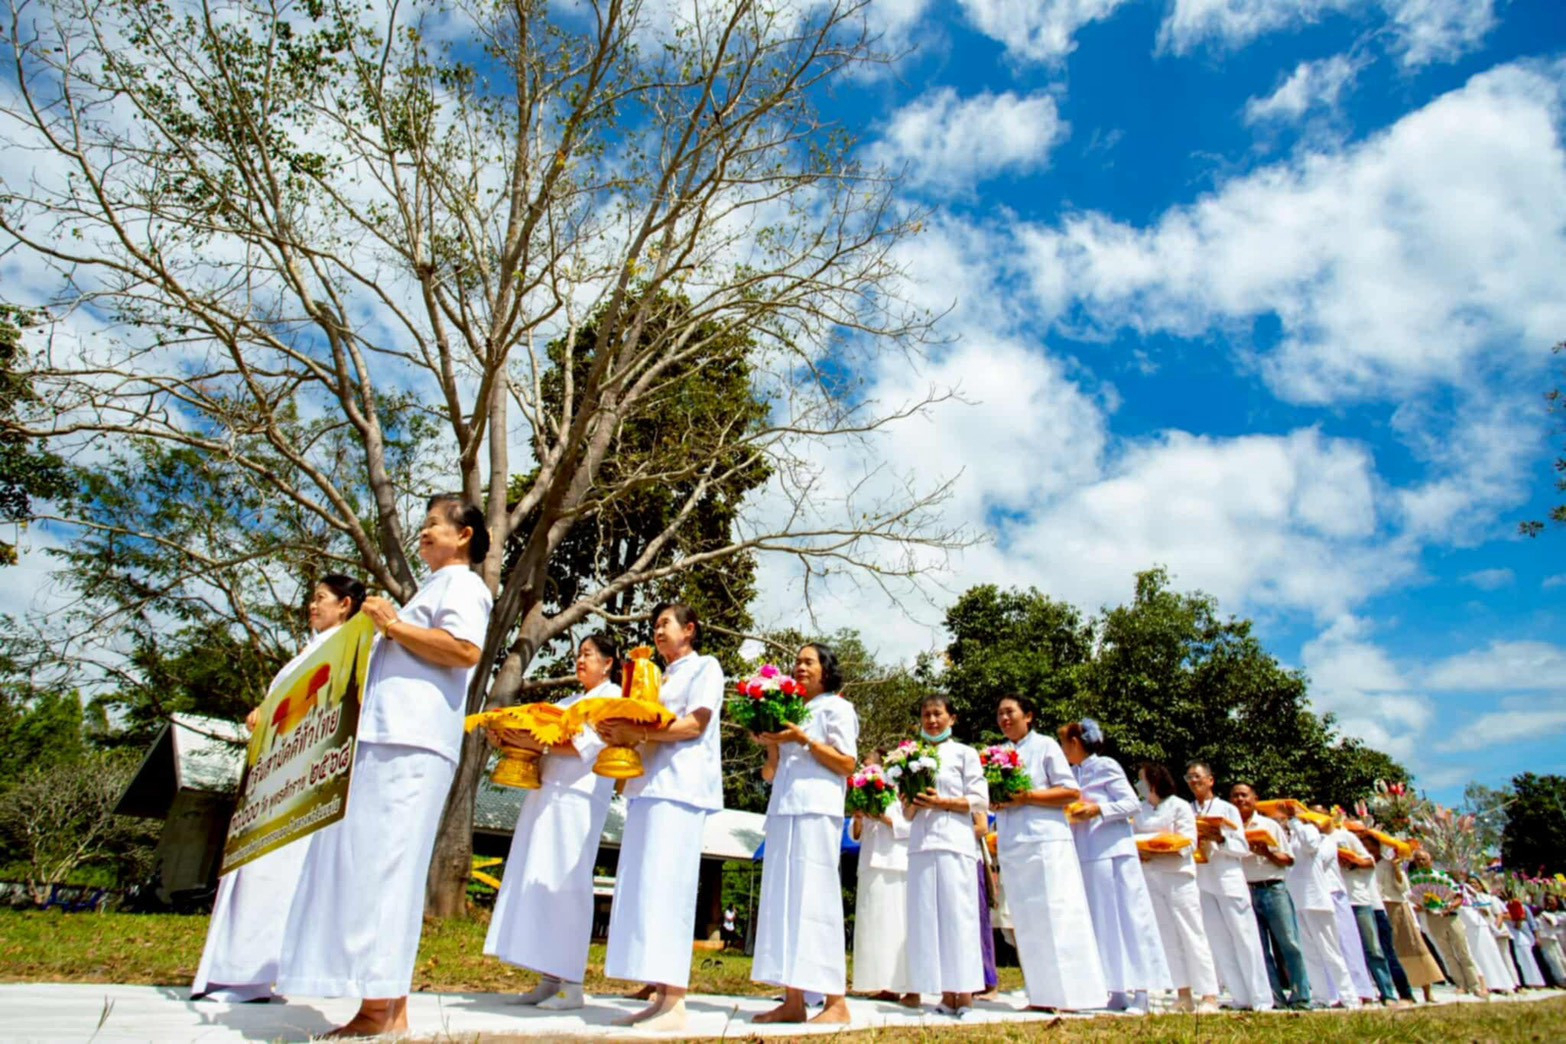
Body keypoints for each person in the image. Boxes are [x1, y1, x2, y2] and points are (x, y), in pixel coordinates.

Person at [278, 496, 493, 1037]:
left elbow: (465, 650)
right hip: (384, 738)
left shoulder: (465, 585)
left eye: (433, 525)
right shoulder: (434, 587)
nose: (423, 534)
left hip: (412, 743)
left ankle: (381, 1012)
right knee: (372, 869)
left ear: (464, 534)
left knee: (387, 870)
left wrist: (393, 626)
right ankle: (384, 1006)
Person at [193, 575, 366, 1004]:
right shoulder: (313, 649)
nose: (312, 606)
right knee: (255, 870)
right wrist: (264, 714)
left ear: (345, 605)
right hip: (276, 778)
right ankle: (236, 971)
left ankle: (251, 976)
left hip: (303, 782)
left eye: (320, 599)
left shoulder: (348, 647)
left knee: (273, 873)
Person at [598, 603, 724, 1031]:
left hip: (681, 788)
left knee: (669, 888)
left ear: (689, 629)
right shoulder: (656, 674)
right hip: (648, 787)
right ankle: (658, 993)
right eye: (653, 626)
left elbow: (695, 725)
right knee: (644, 887)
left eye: (664, 624)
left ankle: (675, 1002)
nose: (657, 632)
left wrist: (642, 733)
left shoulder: (705, 667)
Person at [483, 634, 621, 1010]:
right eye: (579, 654)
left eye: (589, 655)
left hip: (579, 798)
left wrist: (537, 744)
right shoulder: (566, 702)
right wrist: (508, 737)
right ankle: (548, 976)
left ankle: (572, 981)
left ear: (608, 663)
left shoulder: (612, 701)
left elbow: (584, 747)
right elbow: (536, 735)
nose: (580, 660)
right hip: (545, 791)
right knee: (537, 877)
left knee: (566, 882)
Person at [750, 642, 858, 1025]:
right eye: (796, 661)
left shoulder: (837, 708)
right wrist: (771, 746)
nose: (799, 666)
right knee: (783, 902)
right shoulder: (791, 709)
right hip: (784, 809)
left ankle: (835, 1001)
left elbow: (847, 763)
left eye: (808, 661)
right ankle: (793, 999)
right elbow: (770, 774)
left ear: (826, 670)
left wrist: (805, 740)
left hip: (817, 810)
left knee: (816, 900)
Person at [991, 696, 1105, 1013]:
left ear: (1028, 716)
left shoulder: (1045, 747)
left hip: (1046, 841)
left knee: (1058, 915)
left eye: (1010, 712)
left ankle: (1072, 997)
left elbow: (1069, 792)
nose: (1004, 718)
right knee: (1027, 921)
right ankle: (1040, 994)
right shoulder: (999, 754)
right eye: (1000, 713)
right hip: (1014, 843)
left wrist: (1028, 797)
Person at [1062, 720, 1170, 1013]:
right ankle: (1116, 988)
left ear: (1076, 742)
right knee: (1103, 922)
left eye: (1065, 744)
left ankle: (1143, 991)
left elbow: (1131, 804)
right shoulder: (1072, 774)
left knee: (1130, 918)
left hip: (1114, 852)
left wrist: (1098, 809)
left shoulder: (1105, 765)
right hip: (1087, 853)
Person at [902, 694, 988, 1018]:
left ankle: (964, 996)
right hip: (922, 845)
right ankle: (943, 994)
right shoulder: (911, 755)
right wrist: (913, 800)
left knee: (958, 917)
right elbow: (907, 813)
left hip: (955, 842)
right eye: (926, 715)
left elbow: (980, 800)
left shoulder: (965, 754)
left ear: (952, 718)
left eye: (938, 714)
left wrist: (943, 802)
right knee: (929, 919)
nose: (932, 720)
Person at [1185, 762, 1273, 1011]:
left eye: (1198, 777)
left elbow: (1242, 847)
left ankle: (1261, 999)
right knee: (1218, 941)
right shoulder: (1187, 809)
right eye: (1189, 777)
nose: (1194, 782)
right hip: (1203, 877)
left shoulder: (1226, 809)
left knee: (1245, 938)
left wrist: (1221, 838)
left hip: (1229, 877)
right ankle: (1239, 996)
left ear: (1210, 780)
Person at [1133, 762, 1219, 1013]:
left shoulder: (1179, 806)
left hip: (1178, 876)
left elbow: (1189, 842)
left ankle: (1209, 995)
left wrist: (1159, 846)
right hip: (1152, 876)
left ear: (1154, 780)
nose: (1138, 784)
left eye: (1141, 779)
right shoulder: (1140, 810)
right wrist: (1143, 851)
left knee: (1192, 933)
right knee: (1168, 935)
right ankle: (1183, 994)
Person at [1230, 784, 1310, 1009]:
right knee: (1259, 948)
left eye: (1244, 795)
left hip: (1273, 888)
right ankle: (1274, 997)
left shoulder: (1268, 825)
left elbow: (1289, 859)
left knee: (1289, 944)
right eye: (1235, 796)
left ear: (1255, 798)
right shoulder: (1230, 828)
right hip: (1245, 890)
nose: (1239, 800)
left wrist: (1266, 852)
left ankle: (1301, 996)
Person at [850, 750, 916, 1004]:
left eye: (870, 765)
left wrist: (884, 818)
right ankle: (883, 983)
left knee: (896, 924)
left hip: (894, 861)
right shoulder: (862, 794)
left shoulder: (899, 791)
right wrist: (859, 816)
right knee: (873, 924)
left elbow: (908, 827)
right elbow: (856, 834)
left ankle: (906, 982)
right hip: (869, 861)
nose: (867, 769)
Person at [1278, 807, 1359, 1009]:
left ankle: (1349, 997)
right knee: (1311, 954)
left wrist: (1296, 822)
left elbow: (1311, 845)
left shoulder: (1324, 840)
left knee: (1330, 951)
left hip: (1318, 901)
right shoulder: (1295, 840)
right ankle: (1322, 996)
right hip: (1299, 900)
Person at [1365, 834, 1444, 1003]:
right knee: (1385, 950)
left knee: (1412, 946)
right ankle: (1393, 989)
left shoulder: (1388, 864)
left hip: (1395, 905)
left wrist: (1396, 869)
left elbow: (1403, 888)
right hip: (1375, 906)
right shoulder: (1363, 864)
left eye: (1370, 846)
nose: (1368, 850)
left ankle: (1427, 990)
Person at [1334, 826, 1402, 1006]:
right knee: (1345, 950)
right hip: (1334, 901)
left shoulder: (1345, 837)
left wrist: (1351, 862)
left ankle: (1388, 993)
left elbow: (1369, 862)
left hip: (1358, 901)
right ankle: (1357, 993)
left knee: (1373, 949)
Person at [1407, 849, 1486, 997]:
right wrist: (1423, 906)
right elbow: (1413, 900)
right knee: (1447, 953)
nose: (1421, 862)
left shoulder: (1442, 877)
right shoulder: (1412, 880)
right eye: (1418, 860)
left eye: (1424, 859)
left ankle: (1474, 985)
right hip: (1431, 918)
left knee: (1463, 951)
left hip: (1451, 917)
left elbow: (1458, 896)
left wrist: (1450, 906)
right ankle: (1460, 984)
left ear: (1430, 861)